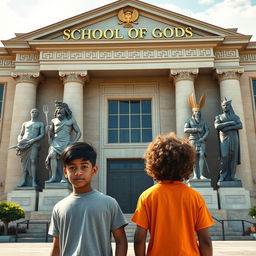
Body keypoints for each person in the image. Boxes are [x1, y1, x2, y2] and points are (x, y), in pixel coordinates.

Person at [132, 133, 214, 256]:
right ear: (186, 164)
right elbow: (205, 240)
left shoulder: (147, 196)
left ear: (154, 163)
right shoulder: (195, 197)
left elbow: (139, 239)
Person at [48, 142, 128, 256]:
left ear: (94, 170)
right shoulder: (59, 207)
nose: (78, 172)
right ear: (65, 172)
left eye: (84, 167)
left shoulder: (109, 203)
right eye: (72, 168)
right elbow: (56, 246)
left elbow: (121, 241)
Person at [45, 101, 81, 183]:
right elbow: (51, 132)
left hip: (66, 142)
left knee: (64, 159)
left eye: (61, 109)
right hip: (56, 141)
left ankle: (63, 177)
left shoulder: (71, 121)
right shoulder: (53, 121)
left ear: (65, 110)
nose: (58, 110)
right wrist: (47, 130)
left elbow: (78, 132)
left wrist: (74, 142)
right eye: (57, 109)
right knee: (52, 155)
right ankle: (53, 177)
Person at [9, 108, 44, 187]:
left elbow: (42, 135)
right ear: (30, 113)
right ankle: (23, 180)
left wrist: (33, 140)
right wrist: (19, 140)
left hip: (33, 144)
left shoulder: (40, 124)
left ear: (38, 114)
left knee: (33, 160)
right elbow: (21, 134)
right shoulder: (25, 123)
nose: (34, 113)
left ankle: (34, 180)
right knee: (24, 164)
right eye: (32, 112)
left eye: (36, 112)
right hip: (24, 143)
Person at [214, 98, 242, 181]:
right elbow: (217, 126)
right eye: (223, 105)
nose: (225, 107)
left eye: (227, 105)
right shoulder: (219, 117)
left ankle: (232, 176)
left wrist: (227, 127)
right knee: (225, 156)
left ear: (229, 106)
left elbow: (240, 125)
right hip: (224, 138)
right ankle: (222, 174)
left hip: (234, 137)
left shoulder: (235, 116)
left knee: (234, 156)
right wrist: (230, 123)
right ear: (221, 107)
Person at [184, 93, 209, 179]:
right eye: (195, 112)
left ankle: (201, 174)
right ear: (193, 112)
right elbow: (185, 129)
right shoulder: (189, 120)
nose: (197, 113)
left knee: (201, 155)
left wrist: (203, 137)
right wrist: (196, 130)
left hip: (201, 140)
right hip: (193, 140)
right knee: (194, 157)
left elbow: (207, 130)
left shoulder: (203, 121)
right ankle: (195, 175)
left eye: (198, 111)